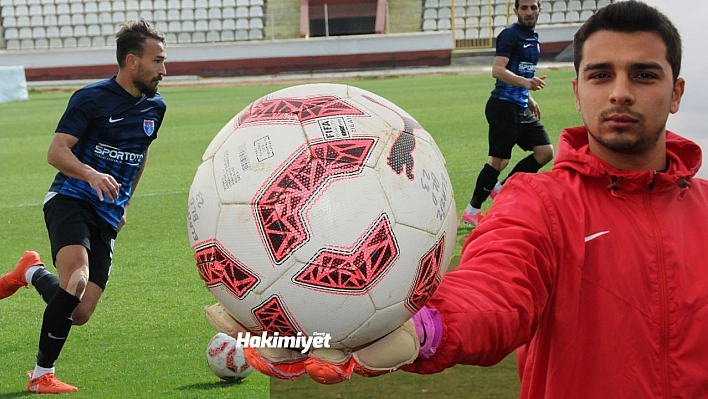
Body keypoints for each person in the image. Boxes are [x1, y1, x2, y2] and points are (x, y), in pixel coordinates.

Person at [204, 1, 708, 397]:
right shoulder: (541, 203)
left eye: (643, 75)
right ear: (577, 92)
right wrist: (424, 327)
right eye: (602, 75)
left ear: (676, 92)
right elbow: (494, 291)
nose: (620, 92)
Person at [0, 19, 167, 394]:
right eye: (157, 61)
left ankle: (30, 271)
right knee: (75, 280)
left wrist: (125, 204)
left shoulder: (156, 107)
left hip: (109, 211)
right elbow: (56, 152)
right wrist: (90, 175)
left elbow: (138, 158)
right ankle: (41, 375)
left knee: (79, 312)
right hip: (71, 198)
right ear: (132, 61)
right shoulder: (91, 98)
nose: (163, 70)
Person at [461, 0, 554, 227]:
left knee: (545, 151)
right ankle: (472, 211)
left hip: (520, 107)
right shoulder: (510, 35)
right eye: (524, 8)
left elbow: (519, 71)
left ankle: (501, 188)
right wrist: (526, 84)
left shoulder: (534, 38)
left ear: (540, 10)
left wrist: (529, 98)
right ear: (516, 11)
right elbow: (498, 70)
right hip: (503, 106)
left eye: (533, 7)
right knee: (498, 161)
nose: (529, 12)